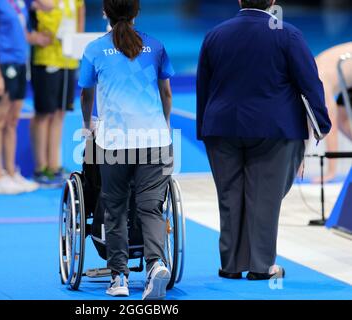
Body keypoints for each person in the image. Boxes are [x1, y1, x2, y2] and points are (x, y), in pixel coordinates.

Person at [197, 0, 331, 280]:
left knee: (229, 197)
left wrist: (203, 128)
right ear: (272, 2)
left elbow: (204, 86)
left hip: (221, 128)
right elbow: (309, 82)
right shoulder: (287, 33)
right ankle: (260, 266)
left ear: (239, 0)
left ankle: (230, 265)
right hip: (274, 128)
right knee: (265, 199)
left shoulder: (216, 34)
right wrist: (321, 123)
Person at [79, 0, 175, 300]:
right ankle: (155, 263)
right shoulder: (156, 47)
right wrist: (164, 124)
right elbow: (166, 92)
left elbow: (86, 94)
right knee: (150, 207)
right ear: (137, 13)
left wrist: (86, 125)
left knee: (116, 208)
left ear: (105, 13)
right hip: (154, 140)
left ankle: (119, 276)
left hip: (114, 143)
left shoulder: (95, 49)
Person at [0, 0, 49, 195]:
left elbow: (20, 33)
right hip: (2, 65)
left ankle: (11, 172)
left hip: (19, 64)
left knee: (12, 121)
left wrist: (35, 38)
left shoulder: (19, 2)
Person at [29, 0, 85, 186]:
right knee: (44, 113)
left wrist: (78, 46)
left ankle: (54, 165)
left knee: (60, 113)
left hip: (68, 61)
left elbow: (80, 14)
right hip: (46, 59)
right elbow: (28, 19)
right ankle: (40, 167)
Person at [313, 42, 352, 183]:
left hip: (346, 67)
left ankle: (332, 171)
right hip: (346, 75)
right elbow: (305, 127)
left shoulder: (319, 80)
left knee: (335, 121)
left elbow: (331, 127)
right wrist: (298, 168)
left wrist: (330, 172)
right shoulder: (309, 80)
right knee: (343, 120)